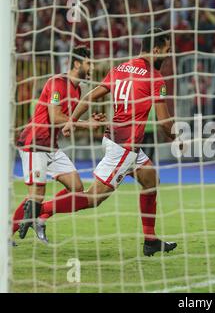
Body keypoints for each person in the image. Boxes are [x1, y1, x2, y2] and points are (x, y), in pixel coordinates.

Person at [21, 28, 177, 257]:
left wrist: (72, 120)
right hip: (125, 147)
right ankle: (39, 209)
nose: (167, 55)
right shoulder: (155, 77)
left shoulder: (120, 68)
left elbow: (88, 97)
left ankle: (150, 240)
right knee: (93, 198)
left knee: (151, 180)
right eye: (166, 51)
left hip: (116, 139)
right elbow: (164, 123)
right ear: (155, 50)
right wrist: (178, 137)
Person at [12, 46, 105, 244]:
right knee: (36, 194)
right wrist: (85, 124)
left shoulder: (77, 89)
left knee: (77, 187)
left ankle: (41, 216)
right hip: (34, 143)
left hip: (51, 147)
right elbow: (55, 117)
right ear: (77, 63)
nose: (92, 68)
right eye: (89, 63)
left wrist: (79, 125)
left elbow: (65, 124)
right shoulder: (57, 82)